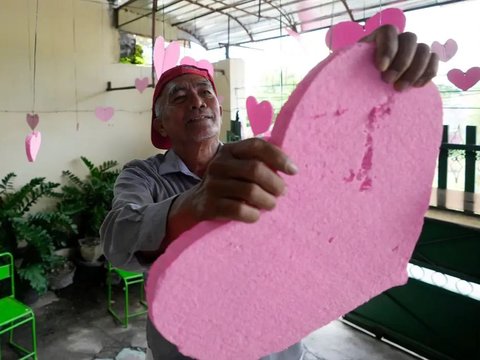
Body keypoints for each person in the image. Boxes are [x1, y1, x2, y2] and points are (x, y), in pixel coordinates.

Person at [100, 25, 439, 360]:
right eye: (179, 97)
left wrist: (363, 72)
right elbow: (117, 238)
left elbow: (336, 166)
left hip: (276, 348)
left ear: (219, 109)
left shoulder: (259, 159)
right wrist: (193, 205)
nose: (197, 102)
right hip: (186, 350)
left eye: (206, 92)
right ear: (160, 124)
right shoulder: (143, 176)